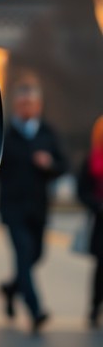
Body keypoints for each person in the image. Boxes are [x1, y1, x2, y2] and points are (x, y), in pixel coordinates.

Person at [0, 74, 68, 332]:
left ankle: (9, 289)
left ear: (38, 106)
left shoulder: (48, 133)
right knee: (22, 254)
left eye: (31, 103)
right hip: (12, 207)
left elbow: (63, 166)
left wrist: (49, 164)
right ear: (16, 106)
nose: (27, 108)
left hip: (39, 207)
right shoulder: (6, 134)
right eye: (22, 104)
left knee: (36, 255)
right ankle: (36, 309)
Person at [76, 115, 103, 328]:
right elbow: (82, 190)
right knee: (101, 267)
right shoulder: (92, 159)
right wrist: (97, 205)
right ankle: (95, 306)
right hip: (101, 218)